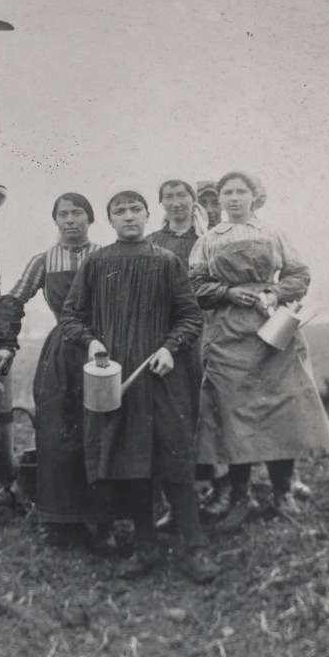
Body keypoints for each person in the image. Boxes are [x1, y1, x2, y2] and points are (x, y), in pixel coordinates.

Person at [58, 190, 220, 583]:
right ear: (110, 220)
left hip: (162, 377)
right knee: (130, 463)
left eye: (135, 210)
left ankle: (196, 549)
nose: (128, 216)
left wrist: (169, 348)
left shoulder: (166, 262)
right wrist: (91, 343)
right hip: (116, 379)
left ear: (148, 215)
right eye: (120, 211)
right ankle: (145, 547)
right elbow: (71, 316)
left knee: (175, 459)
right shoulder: (97, 263)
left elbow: (190, 317)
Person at [189, 171, 329, 531]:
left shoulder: (273, 233)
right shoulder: (208, 240)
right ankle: (241, 498)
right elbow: (194, 285)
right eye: (227, 192)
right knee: (233, 416)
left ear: (254, 196)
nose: (234, 198)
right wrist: (226, 292)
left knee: (281, 411)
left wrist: (274, 292)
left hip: (273, 332)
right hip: (227, 336)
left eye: (241, 191)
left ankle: (282, 493)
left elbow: (299, 275)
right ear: (219, 199)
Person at [0, 192, 117, 553]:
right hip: (61, 354)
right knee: (57, 433)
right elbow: (12, 300)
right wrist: (6, 342)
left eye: (78, 213)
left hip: (103, 351)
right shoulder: (43, 261)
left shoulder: (107, 256)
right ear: (56, 221)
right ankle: (60, 522)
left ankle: (104, 522)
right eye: (63, 214)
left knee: (103, 431)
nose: (70, 220)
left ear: (90, 219)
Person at [147, 180, 229, 522]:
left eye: (182, 196)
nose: (176, 202)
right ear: (161, 203)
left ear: (193, 201)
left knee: (209, 408)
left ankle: (222, 489)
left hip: (206, 333)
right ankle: (178, 497)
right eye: (169, 197)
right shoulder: (152, 242)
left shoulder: (209, 238)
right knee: (171, 414)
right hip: (166, 337)